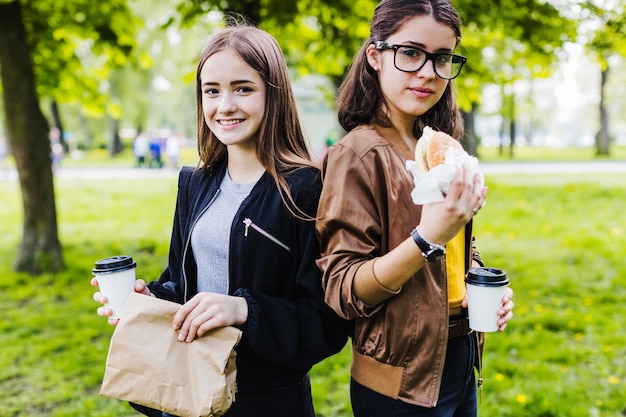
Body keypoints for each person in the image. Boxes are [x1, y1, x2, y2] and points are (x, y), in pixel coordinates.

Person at [92, 24, 348, 417]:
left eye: (242, 88)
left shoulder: (305, 190)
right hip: (189, 387)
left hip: (267, 402)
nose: (224, 105)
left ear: (273, 93)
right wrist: (151, 300)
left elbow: (326, 325)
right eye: (212, 90)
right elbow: (183, 284)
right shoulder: (195, 184)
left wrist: (244, 310)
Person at [315, 1, 514, 416]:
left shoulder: (440, 145)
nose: (427, 72)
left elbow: (457, 247)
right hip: (397, 382)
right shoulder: (358, 153)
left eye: (442, 58)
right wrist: (427, 238)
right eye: (410, 53)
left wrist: (484, 283)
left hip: (460, 359)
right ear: (375, 55)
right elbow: (343, 288)